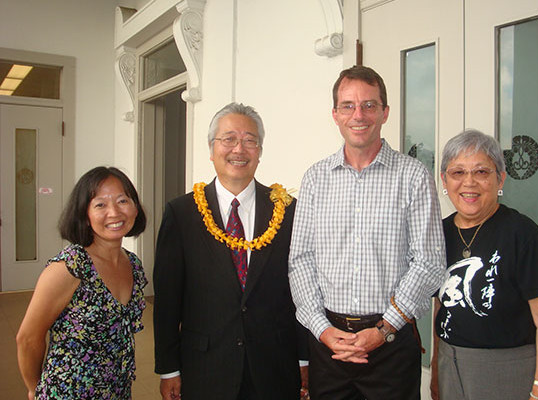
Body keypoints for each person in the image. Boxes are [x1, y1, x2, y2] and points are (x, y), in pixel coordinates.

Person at [288, 65, 446, 399]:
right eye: (348, 105)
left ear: (385, 112)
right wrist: (323, 330)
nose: (359, 115)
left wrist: (383, 328)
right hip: (329, 345)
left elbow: (429, 262)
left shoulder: (414, 177)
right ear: (335, 114)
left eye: (369, 105)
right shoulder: (316, 179)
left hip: (391, 343)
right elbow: (300, 260)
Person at [153, 102, 308, 400]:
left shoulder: (287, 210)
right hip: (205, 366)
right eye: (229, 139)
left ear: (259, 152)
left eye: (250, 140)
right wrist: (169, 369)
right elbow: (168, 298)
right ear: (212, 150)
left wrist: (304, 358)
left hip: (274, 366)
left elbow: (300, 291)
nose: (239, 149)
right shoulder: (182, 213)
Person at [430, 129, 538, 400]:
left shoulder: (524, 235)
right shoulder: (437, 233)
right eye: (458, 173)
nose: (469, 183)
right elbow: (441, 305)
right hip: (448, 362)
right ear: (444, 180)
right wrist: (435, 368)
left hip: (507, 368)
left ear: (500, 178)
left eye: (481, 172)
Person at [16, 166, 147, 400]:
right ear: (84, 215)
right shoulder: (70, 267)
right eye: (100, 205)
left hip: (117, 390)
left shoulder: (134, 265)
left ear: (135, 207)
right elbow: (27, 338)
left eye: (122, 201)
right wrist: (34, 389)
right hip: (68, 392)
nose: (114, 212)